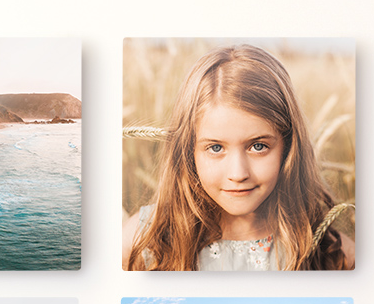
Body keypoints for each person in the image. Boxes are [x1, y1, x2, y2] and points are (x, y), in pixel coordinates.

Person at [123, 45, 354, 271]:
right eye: (215, 148)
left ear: (288, 146)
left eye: (258, 146)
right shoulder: (145, 239)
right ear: (188, 151)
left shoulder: (331, 252)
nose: (238, 174)